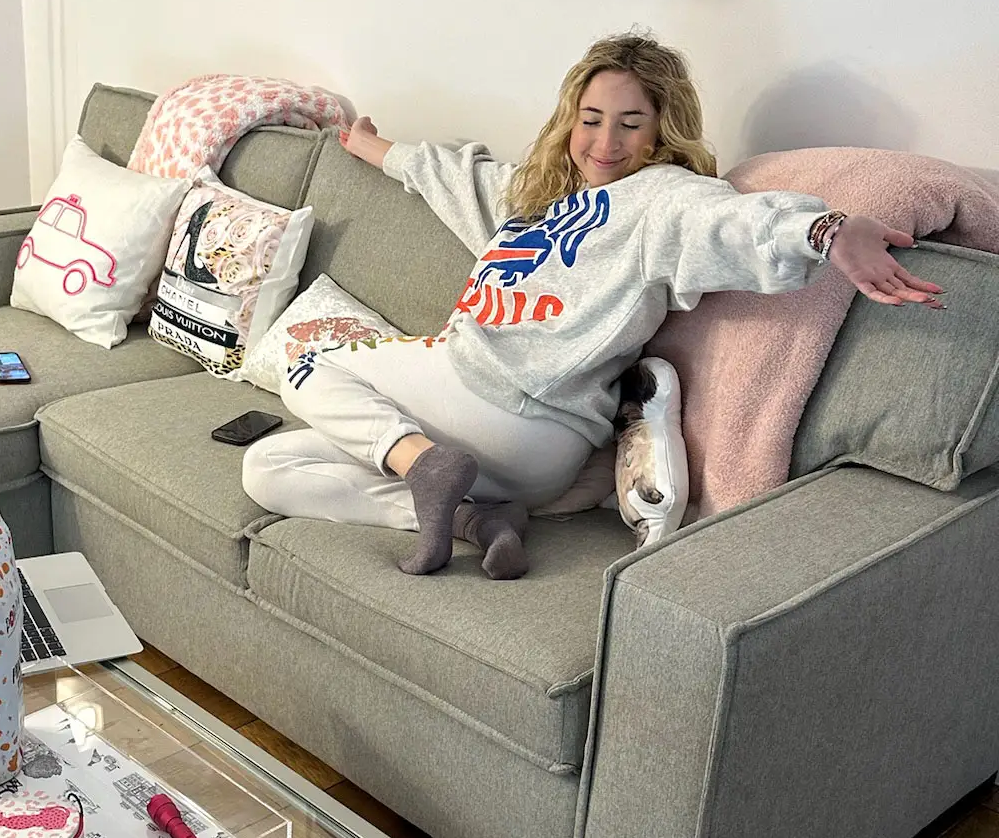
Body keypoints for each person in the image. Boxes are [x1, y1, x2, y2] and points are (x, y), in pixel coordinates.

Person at [241, 33, 943, 580]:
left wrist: (825, 231)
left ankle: (424, 464)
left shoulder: (665, 198)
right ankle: (475, 518)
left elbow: (732, 225)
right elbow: (456, 177)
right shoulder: (539, 197)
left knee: (309, 365)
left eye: (631, 124)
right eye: (592, 119)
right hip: (522, 461)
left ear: (663, 130)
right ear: (570, 119)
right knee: (271, 470)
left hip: (511, 402)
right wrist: (373, 147)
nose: (606, 144)